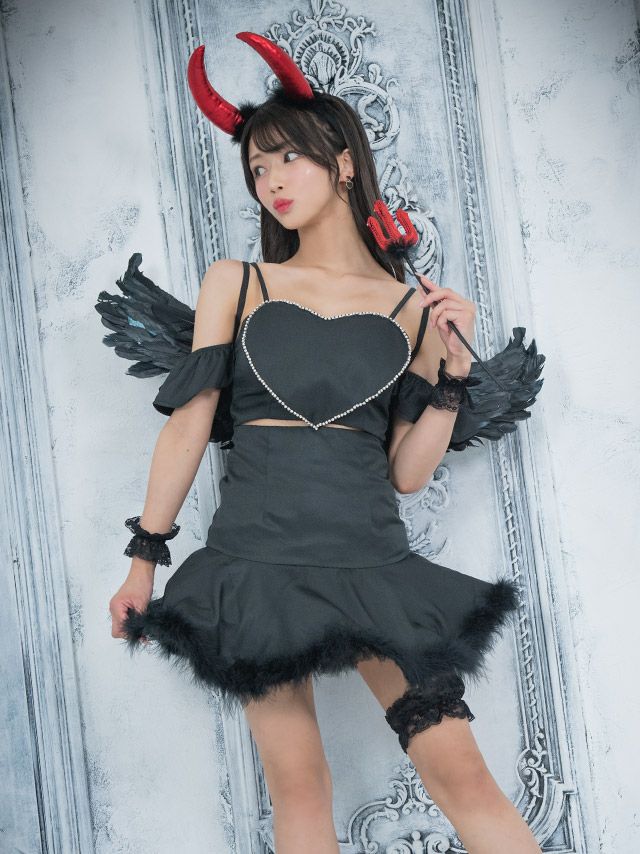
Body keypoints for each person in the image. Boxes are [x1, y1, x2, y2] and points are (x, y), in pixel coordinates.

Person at [104, 33, 543, 854]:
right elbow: (190, 421)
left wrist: (454, 374)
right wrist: (143, 560)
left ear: (343, 163)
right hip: (256, 566)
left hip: (372, 566)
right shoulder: (237, 282)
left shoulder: (409, 308)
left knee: (464, 778)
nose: (271, 182)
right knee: (300, 786)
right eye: (257, 169)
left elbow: (407, 474)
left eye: (287, 159)